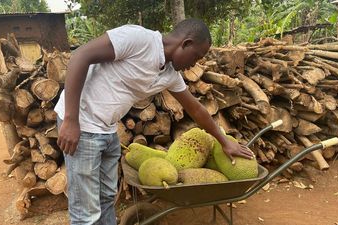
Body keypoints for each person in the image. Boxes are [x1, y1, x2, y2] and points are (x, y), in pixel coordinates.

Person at [55, 18, 253, 225]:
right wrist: (70, 119)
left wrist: (224, 141)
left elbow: (196, 109)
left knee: (105, 199)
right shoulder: (138, 39)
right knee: (86, 212)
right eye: (196, 56)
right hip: (82, 125)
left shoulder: (169, 74)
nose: (194, 64)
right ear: (186, 43)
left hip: (107, 130)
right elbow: (81, 56)